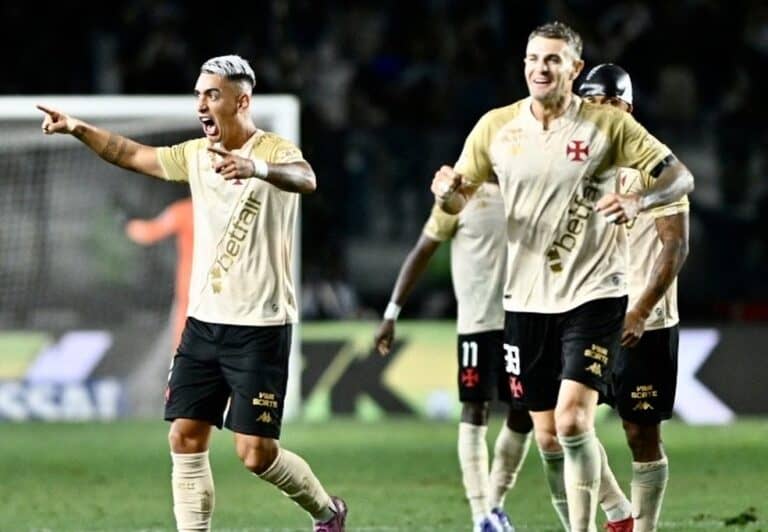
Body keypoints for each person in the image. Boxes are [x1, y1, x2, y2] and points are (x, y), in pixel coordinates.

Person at [38, 54, 347, 532]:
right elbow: (129, 154)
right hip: (203, 323)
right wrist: (79, 129)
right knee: (184, 438)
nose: (201, 104)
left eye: (212, 94)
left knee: (255, 454)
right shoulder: (196, 155)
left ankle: (327, 513)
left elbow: (306, 178)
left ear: (241, 102)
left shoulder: (275, 150)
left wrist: (255, 168)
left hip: (260, 327)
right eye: (199, 94)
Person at [430, 22, 694, 532]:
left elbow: (677, 218)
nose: (540, 68)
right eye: (533, 58)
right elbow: (459, 197)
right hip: (528, 303)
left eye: (552, 59)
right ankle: (616, 513)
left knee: (610, 428)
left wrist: (639, 205)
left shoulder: (618, 138)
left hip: (615, 305)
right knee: (551, 433)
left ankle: (632, 527)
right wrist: (448, 194)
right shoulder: (501, 128)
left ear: (573, 69)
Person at [374, 175, 533, 532]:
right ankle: (481, 514)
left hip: (523, 320)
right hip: (478, 323)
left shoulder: (525, 184)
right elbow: (422, 251)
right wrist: (391, 314)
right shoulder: (458, 196)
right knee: (475, 407)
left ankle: (495, 504)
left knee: (525, 411)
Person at [580, 63, 690, 532]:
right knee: (563, 421)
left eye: (612, 102)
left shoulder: (654, 164)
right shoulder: (572, 164)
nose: (602, 111)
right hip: (586, 314)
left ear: (627, 108)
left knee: (640, 434)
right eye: (593, 103)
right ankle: (617, 513)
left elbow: (676, 245)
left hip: (645, 320)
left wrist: (641, 310)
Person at [125, 196, 193, 350]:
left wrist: (127, 224)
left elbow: (148, 233)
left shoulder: (184, 210)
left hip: (190, 285)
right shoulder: (229, 212)